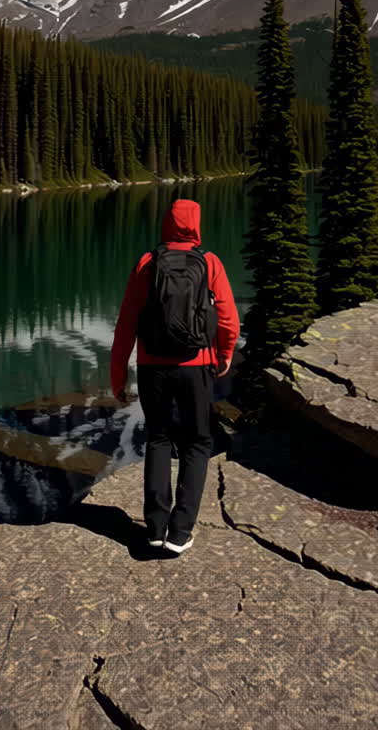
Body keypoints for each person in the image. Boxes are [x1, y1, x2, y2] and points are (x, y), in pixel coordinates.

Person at [110, 197, 240, 554]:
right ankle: (180, 533)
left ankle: (154, 527)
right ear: (196, 225)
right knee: (198, 442)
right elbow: (228, 319)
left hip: (153, 367)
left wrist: (118, 375)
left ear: (166, 224)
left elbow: (126, 325)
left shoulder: (147, 263)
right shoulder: (209, 262)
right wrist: (224, 354)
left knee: (158, 438)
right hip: (197, 365)